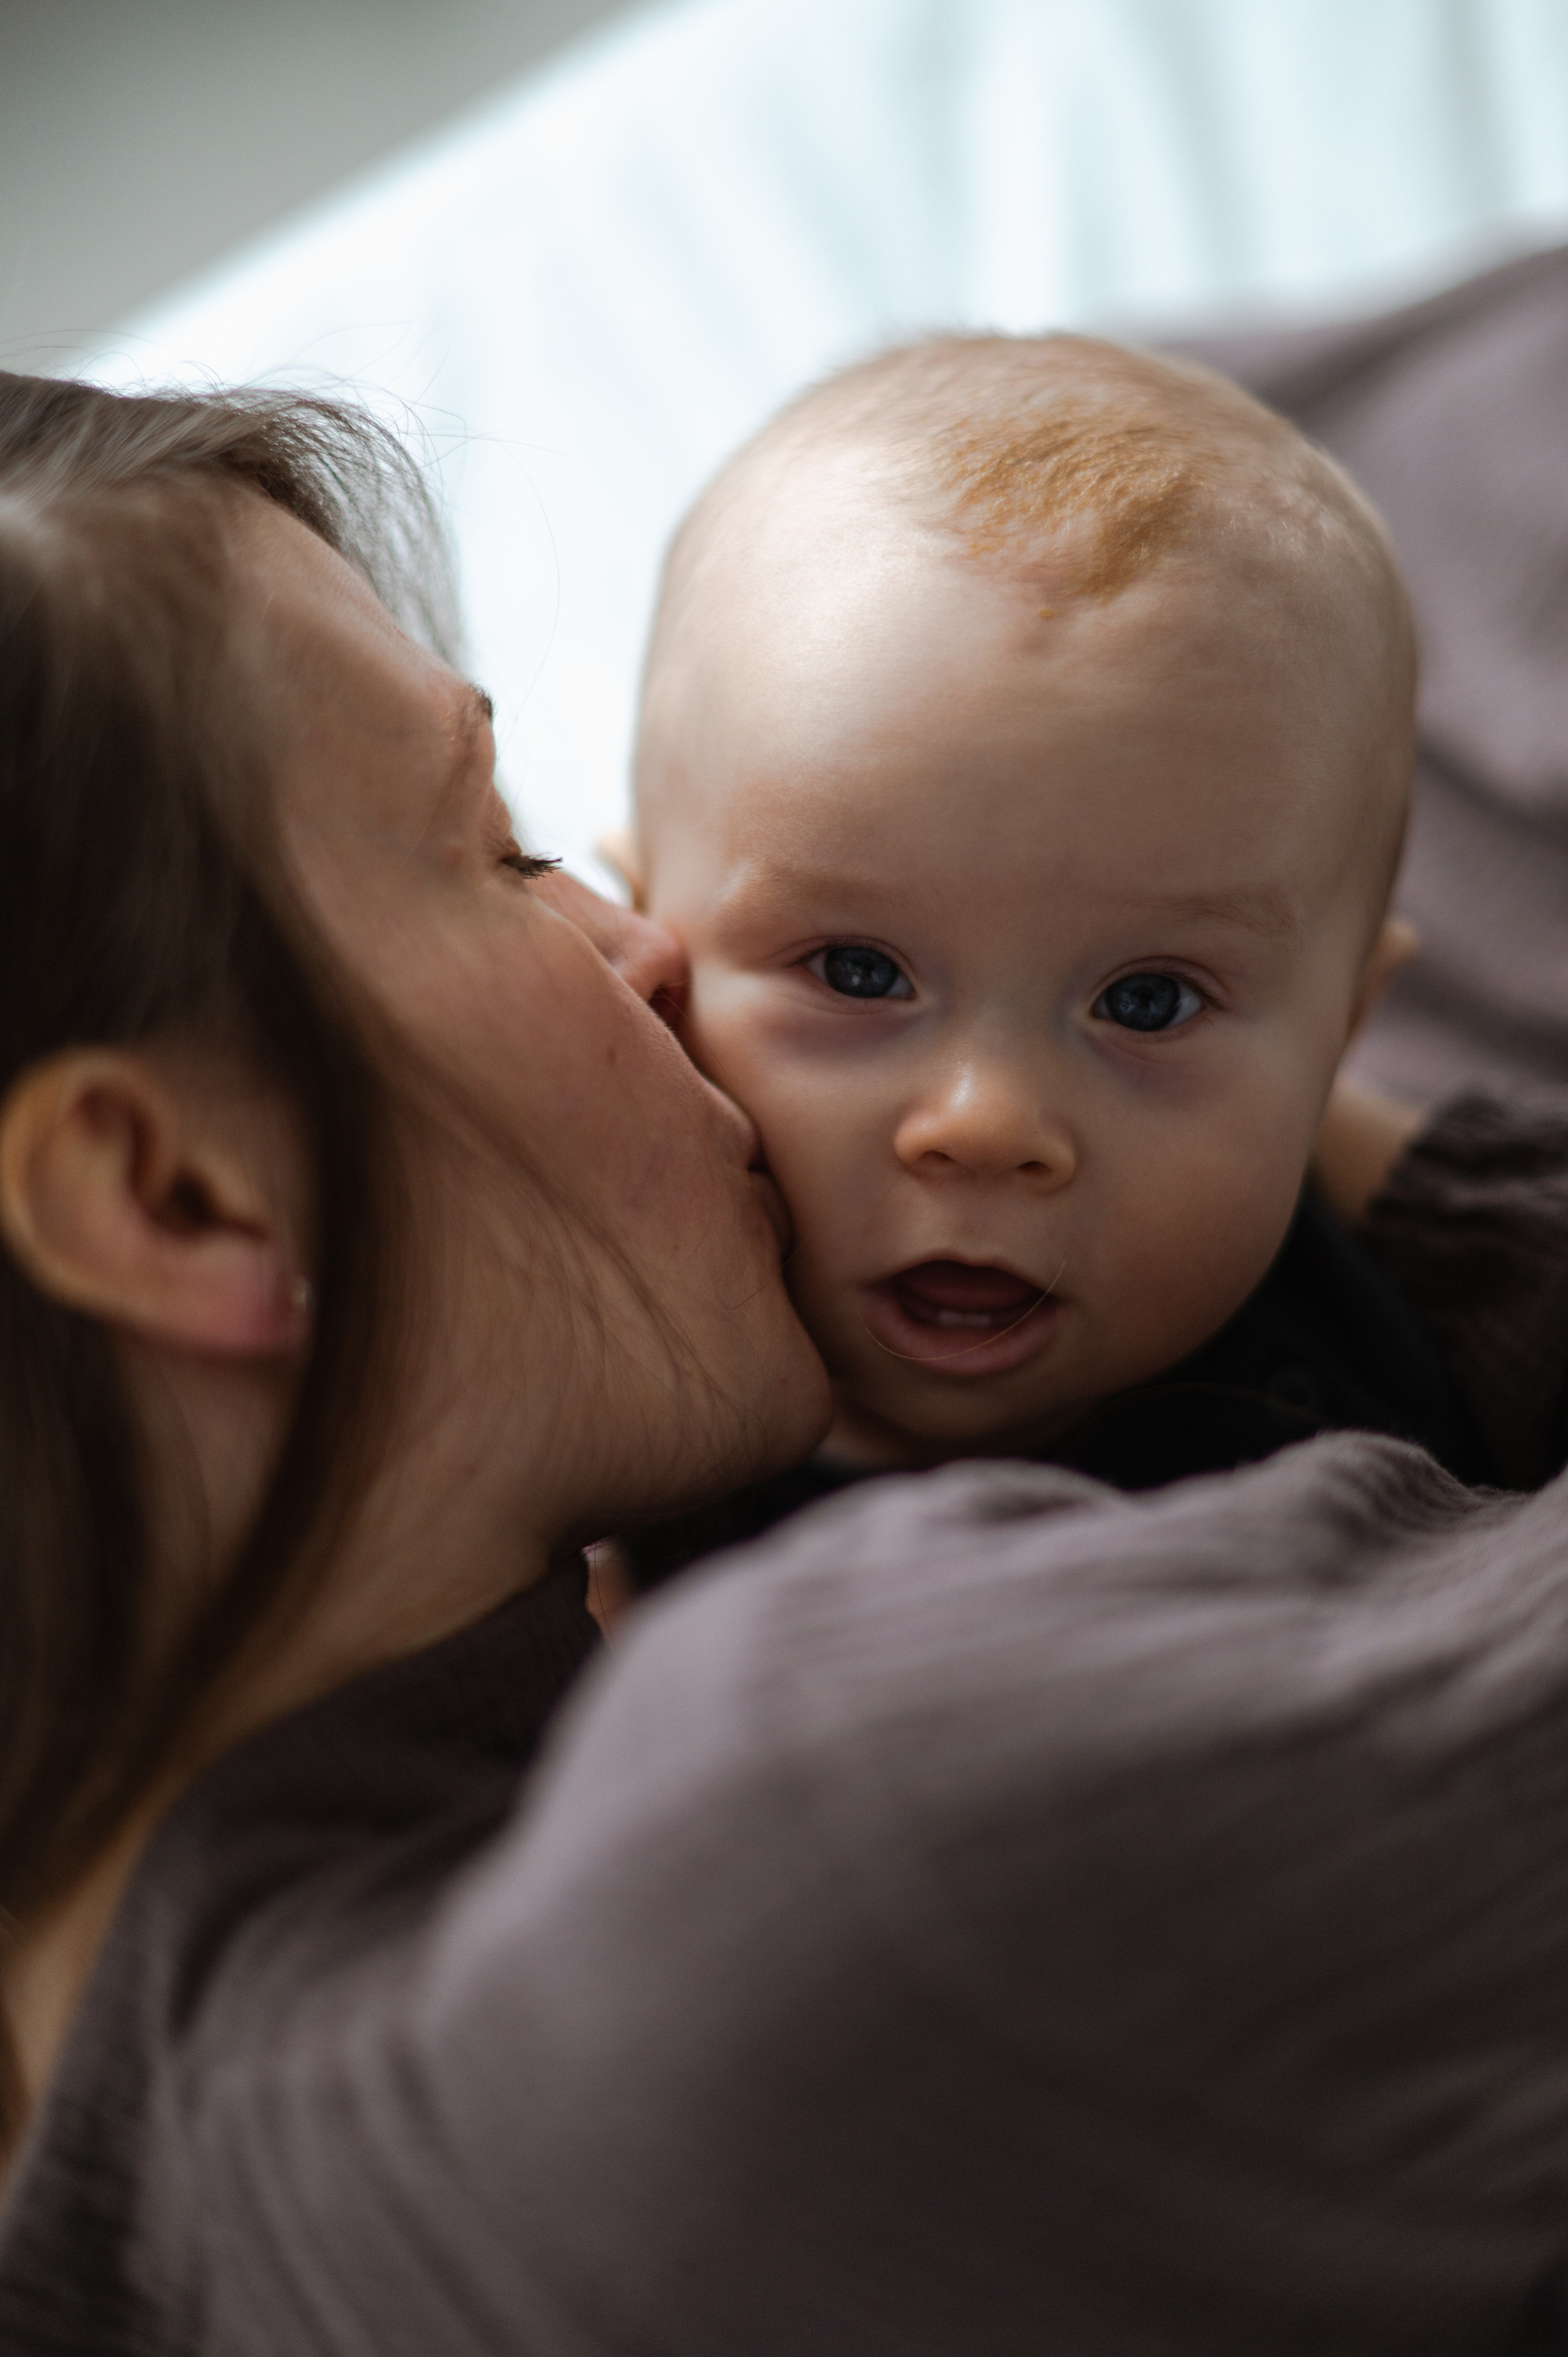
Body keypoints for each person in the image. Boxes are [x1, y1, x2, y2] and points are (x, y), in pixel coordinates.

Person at [6, 365, 1568, 2356]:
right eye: (490, 851)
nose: (647, 945)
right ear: (183, 1198)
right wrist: (1376, 1166)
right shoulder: (848, 1844)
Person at [609, 333, 1502, 1585]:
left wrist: (1372, 1163)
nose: (984, 1125)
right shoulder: (614, 1471)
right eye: (857, 973)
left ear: (1338, 1036)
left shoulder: (1389, 1291)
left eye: (1146, 1001)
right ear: (646, 955)